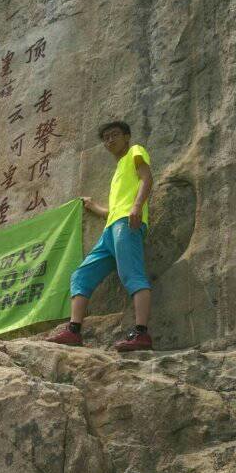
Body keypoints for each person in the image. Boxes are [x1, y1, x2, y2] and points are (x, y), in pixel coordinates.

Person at [47, 121, 154, 351]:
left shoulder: (135, 151)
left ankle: (142, 333)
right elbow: (112, 210)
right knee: (81, 275)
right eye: (105, 138)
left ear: (127, 136)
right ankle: (74, 331)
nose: (109, 140)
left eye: (114, 135)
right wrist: (94, 206)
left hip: (127, 223)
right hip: (111, 229)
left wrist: (137, 206)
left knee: (132, 274)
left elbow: (147, 178)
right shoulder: (117, 173)